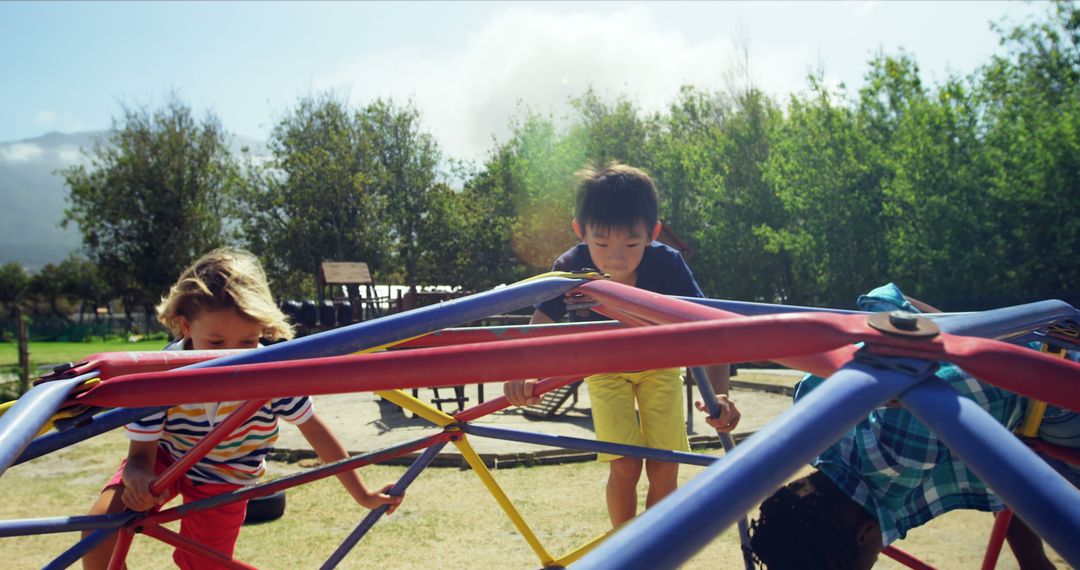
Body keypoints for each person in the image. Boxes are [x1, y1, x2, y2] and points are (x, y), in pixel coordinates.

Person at [83, 248, 403, 570]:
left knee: (203, 563)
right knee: (99, 531)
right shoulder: (159, 375)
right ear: (185, 326)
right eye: (217, 344)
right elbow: (140, 457)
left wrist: (363, 495)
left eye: (248, 342)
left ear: (261, 332)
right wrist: (138, 478)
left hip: (226, 475)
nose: (233, 359)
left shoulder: (270, 373)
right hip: (166, 460)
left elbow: (314, 430)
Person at [748, 282, 1079, 570]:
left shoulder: (897, 462)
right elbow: (884, 296)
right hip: (1024, 372)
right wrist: (960, 332)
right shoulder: (815, 416)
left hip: (1053, 392)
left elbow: (1003, 467)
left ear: (864, 536)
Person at [503, 162, 740, 527]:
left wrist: (720, 394)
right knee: (625, 464)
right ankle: (623, 550)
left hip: (661, 365)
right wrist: (524, 373)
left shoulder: (668, 265)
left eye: (631, 243)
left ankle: (652, 551)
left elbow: (708, 330)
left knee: (665, 464)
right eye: (601, 243)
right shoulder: (570, 267)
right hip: (604, 368)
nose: (616, 257)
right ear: (580, 232)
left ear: (652, 233)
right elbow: (542, 325)